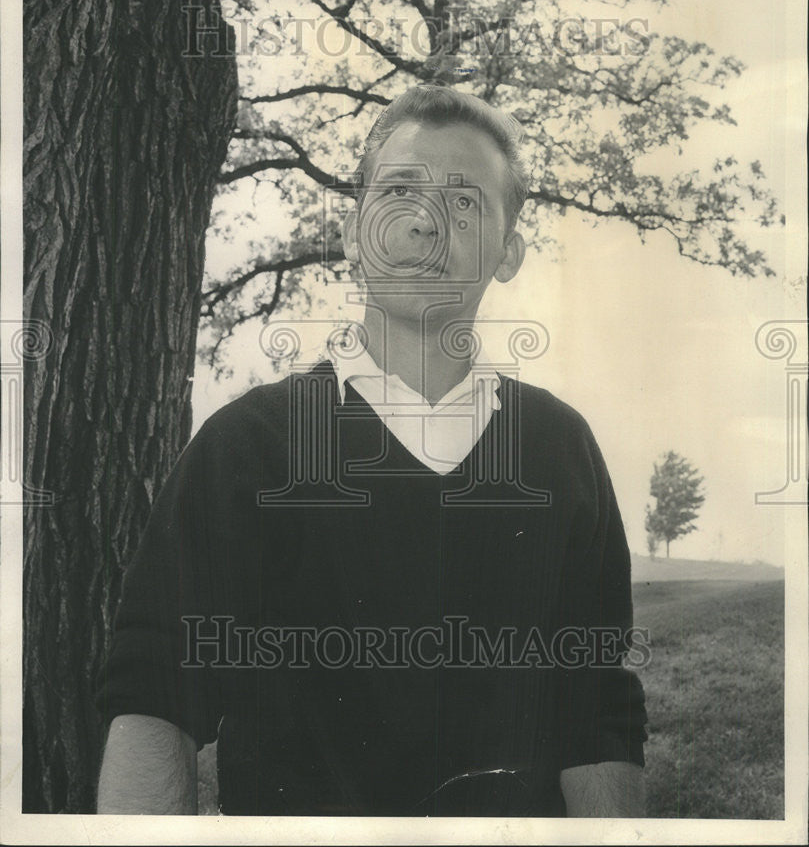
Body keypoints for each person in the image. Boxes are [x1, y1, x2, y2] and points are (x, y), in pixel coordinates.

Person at [95, 85, 647, 817]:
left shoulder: (559, 450)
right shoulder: (247, 447)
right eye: (398, 192)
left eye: (463, 202)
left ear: (508, 252)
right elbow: (154, 700)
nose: (423, 223)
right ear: (355, 233)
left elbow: (596, 720)